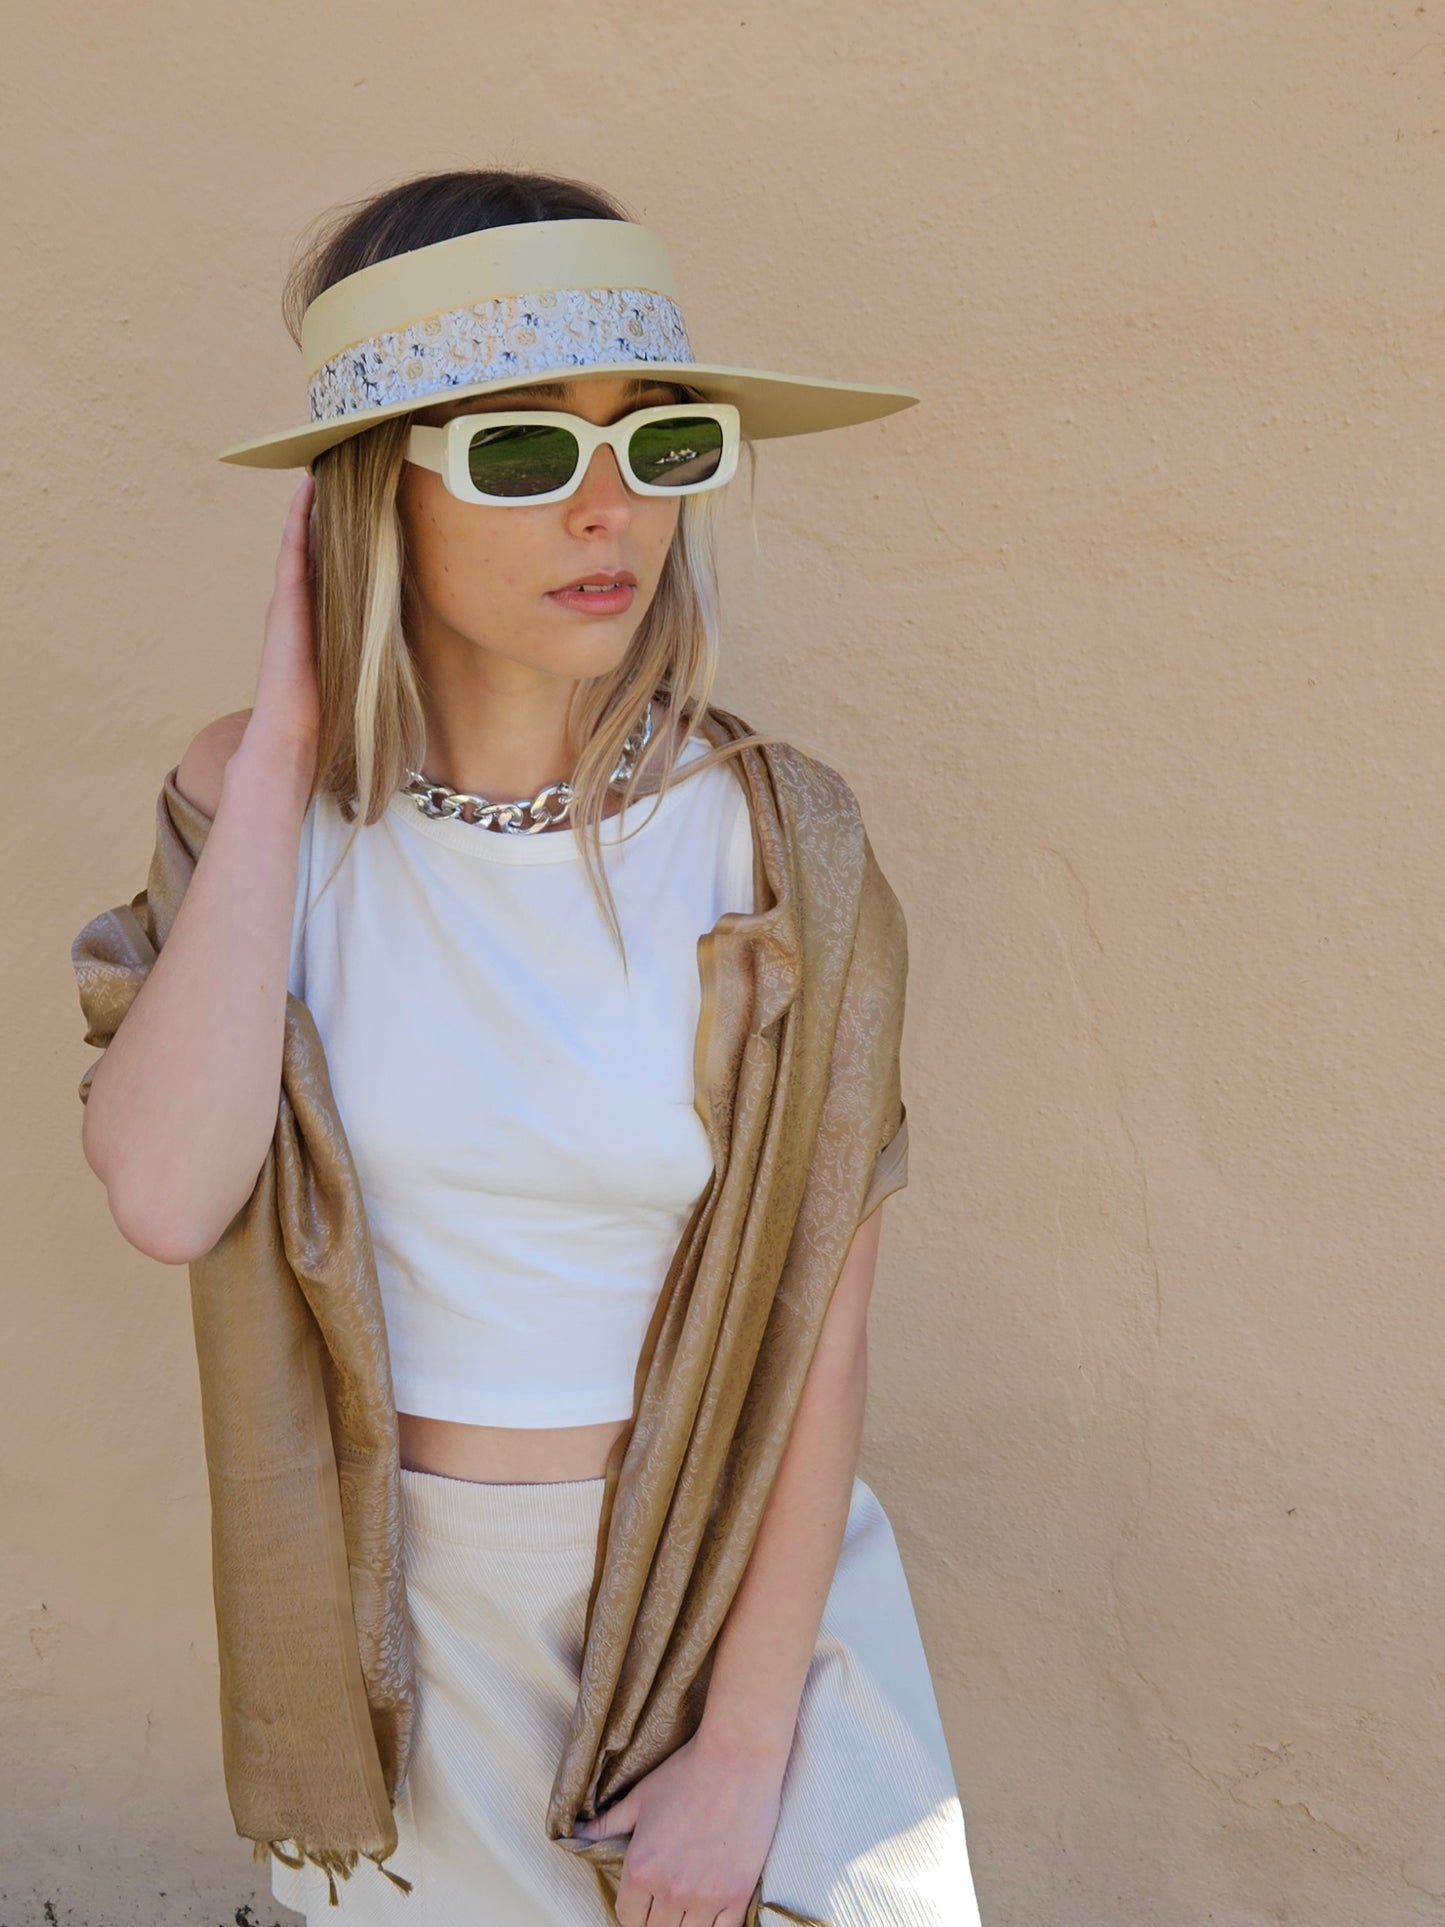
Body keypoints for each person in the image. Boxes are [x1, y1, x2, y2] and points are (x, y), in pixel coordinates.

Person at [75, 167, 985, 1926]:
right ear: (374, 496)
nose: (608, 513)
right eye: (518, 453)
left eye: (657, 447)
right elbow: (173, 1192)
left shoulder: (779, 846)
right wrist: (277, 755)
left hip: (717, 1620)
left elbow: (816, 1341)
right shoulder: (251, 812)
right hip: (390, 1640)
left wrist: (738, 1757)